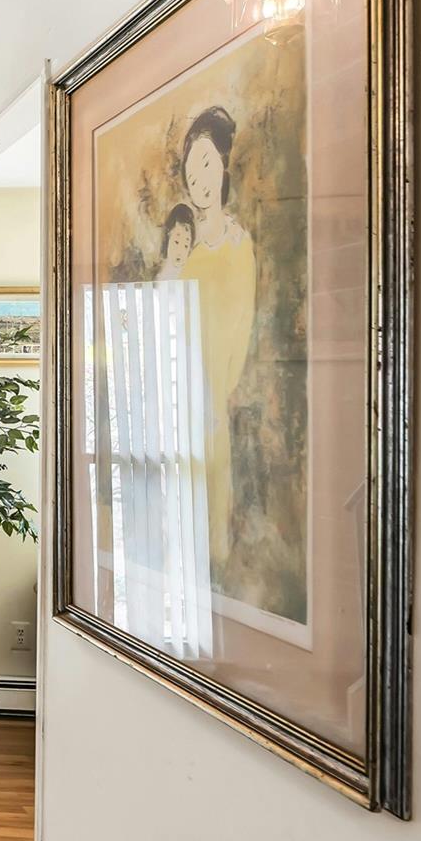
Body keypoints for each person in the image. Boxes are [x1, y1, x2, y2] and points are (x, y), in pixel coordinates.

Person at [176, 106, 257, 567]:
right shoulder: (183, 250)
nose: (199, 179)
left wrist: (217, 393)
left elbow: (242, 325)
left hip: (213, 403)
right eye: (191, 172)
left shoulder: (239, 246)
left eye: (206, 164)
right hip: (179, 398)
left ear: (223, 165)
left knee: (212, 514)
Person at [158, 203, 195, 280]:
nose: (180, 251)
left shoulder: (190, 276)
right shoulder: (158, 276)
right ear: (168, 238)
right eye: (176, 242)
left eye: (186, 245)